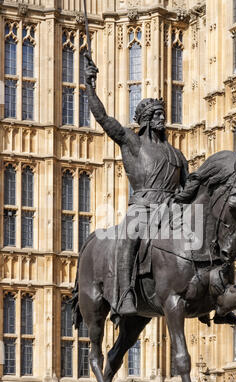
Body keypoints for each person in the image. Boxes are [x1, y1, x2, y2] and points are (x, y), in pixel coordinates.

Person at [85, 56, 189, 323]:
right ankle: (125, 295)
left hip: (172, 211)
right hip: (142, 208)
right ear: (145, 119)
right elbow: (103, 118)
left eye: (163, 114)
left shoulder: (176, 155)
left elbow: (188, 188)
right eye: (156, 114)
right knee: (128, 239)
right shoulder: (132, 143)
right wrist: (90, 85)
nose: (163, 118)